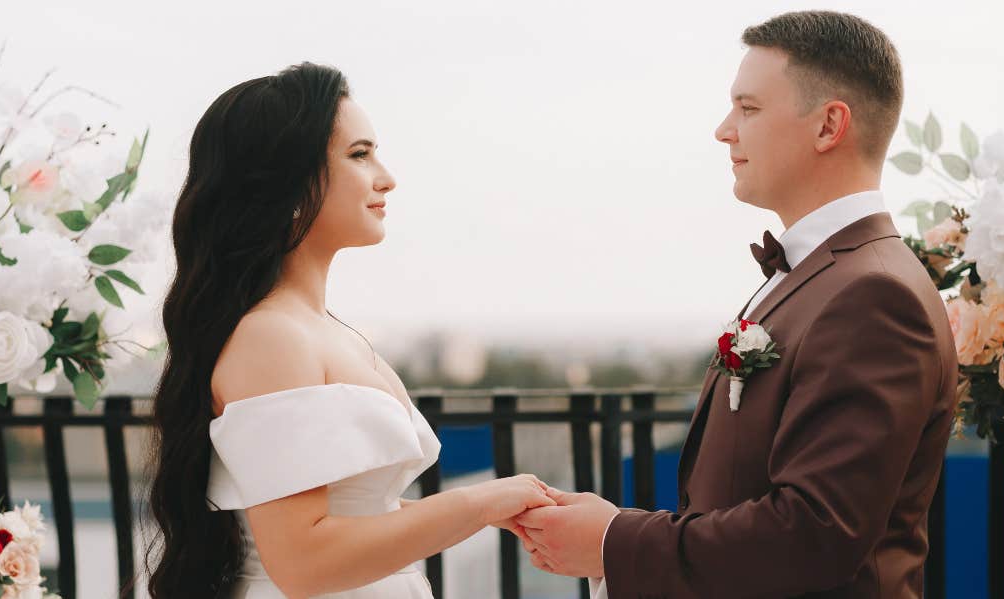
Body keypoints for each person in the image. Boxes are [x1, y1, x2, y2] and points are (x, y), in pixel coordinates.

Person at [515, 11, 958, 598]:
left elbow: (815, 533)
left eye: (748, 109)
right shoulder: (821, 273)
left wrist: (612, 541)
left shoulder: (874, 295)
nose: (725, 130)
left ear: (829, 125)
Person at [145, 62, 553, 599]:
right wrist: (476, 505)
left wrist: (496, 506)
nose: (386, 176)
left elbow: (360, 512)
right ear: (287, 181)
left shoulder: (319, 330)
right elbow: (304, 562)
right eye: (360, 154)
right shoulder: (271, 338)